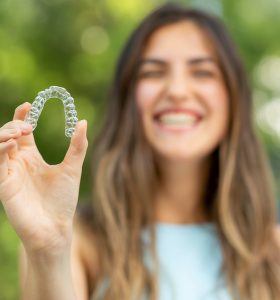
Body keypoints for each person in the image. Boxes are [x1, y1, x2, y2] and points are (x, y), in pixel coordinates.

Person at [0, 3, 279, 300]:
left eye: (202, 72)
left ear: (233, 97)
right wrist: (47, 251)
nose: (177, 90)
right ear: (128, 99)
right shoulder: (78, 240)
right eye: (153, 72)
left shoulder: (272, 252)